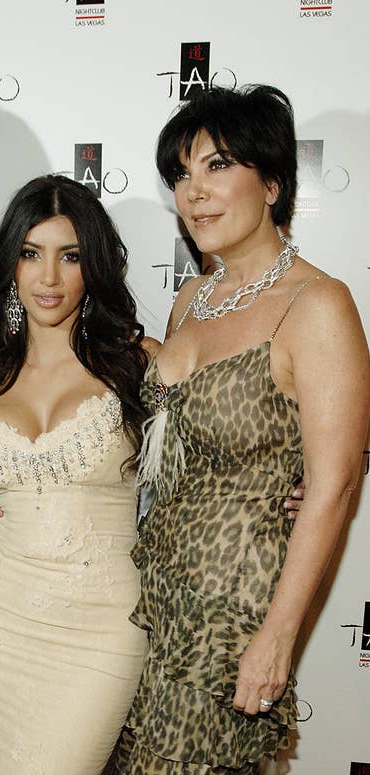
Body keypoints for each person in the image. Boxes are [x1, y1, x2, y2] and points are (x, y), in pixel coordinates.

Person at [115, 85, 370, 773]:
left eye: (218, 165)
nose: (193, 193)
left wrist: (278, 638)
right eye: (181, 174)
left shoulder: (319, 305)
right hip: (151, 599)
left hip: (230, 618)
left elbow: (336, 482)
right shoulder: (192, 297)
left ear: (274, 181)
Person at [0, 174, 153, 774]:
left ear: (93, 264)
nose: (48, 278)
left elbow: (226, 440)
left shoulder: (137, 363)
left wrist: (282, 488)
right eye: (30, 254)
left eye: (69, 256)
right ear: (10, 263)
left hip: (102, 629)